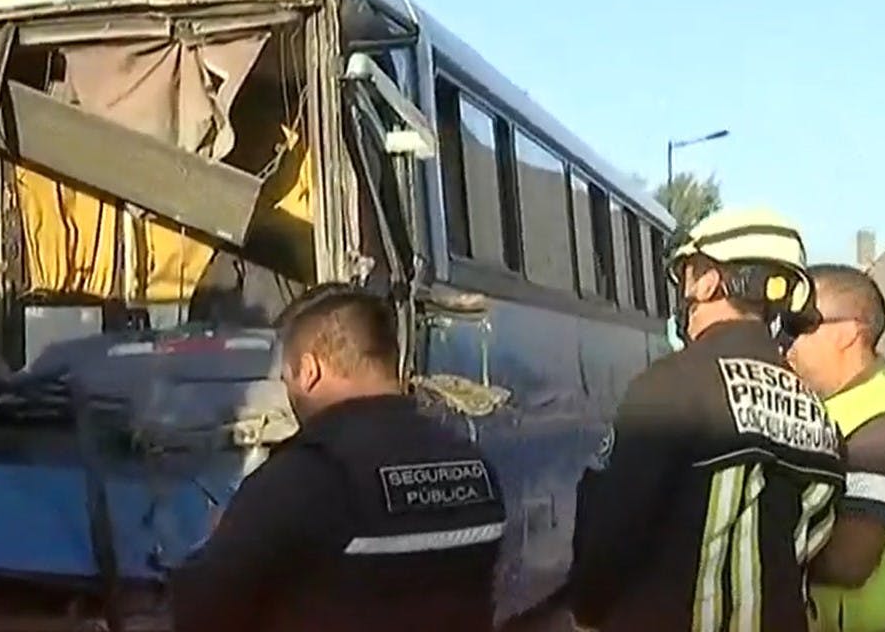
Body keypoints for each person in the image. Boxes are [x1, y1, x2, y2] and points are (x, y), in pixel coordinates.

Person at [568, 207, 847, 632]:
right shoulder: (821, 417)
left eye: (686, 276)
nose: (683, 294)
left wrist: (586, 613)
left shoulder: (673, 383)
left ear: (709, 280)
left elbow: (610, 533)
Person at [170, 283, 507, 632]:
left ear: (310, 371)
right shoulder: (474, 466)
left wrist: (225, 536)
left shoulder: (302, 479)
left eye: (287, 379)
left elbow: (202, 612)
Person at [785, 264, 885, 632]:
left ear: (848, 333)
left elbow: (847, 564)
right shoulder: (839, 405)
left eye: (799, 326)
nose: (787, 342)